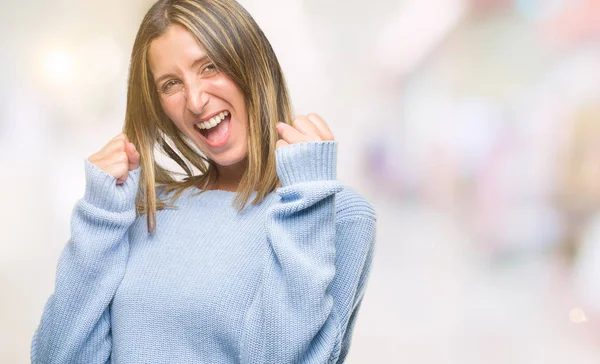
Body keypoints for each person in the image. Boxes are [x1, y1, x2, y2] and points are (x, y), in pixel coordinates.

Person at [30, 0, 377, 363]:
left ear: (252, 61)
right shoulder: (144, 210)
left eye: (209, 66)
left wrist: (308, 201)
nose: (195, 101)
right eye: (171, 83)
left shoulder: (338, 214)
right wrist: (98, 219)